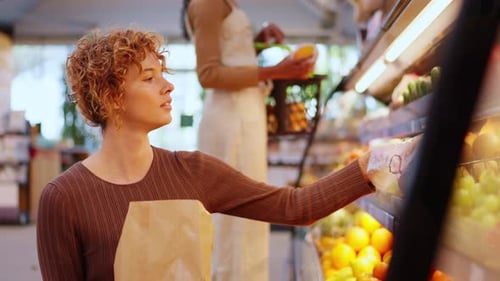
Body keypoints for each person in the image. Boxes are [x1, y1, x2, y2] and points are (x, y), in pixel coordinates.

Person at [36, 28, 375, 281]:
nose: (168, 86)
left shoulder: (194, 172)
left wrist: (372, 166)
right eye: (149, 78)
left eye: (164, 74)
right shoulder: (64, 198)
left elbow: (297, 207)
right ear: (112, 97)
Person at [181, 1, 316, 280]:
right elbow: (208, 74)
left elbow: (230, 56)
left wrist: (256, 41)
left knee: (244, 219)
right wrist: (276, 72)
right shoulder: (207, 3)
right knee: (236, 222)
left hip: (241, 116)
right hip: (232, 121)